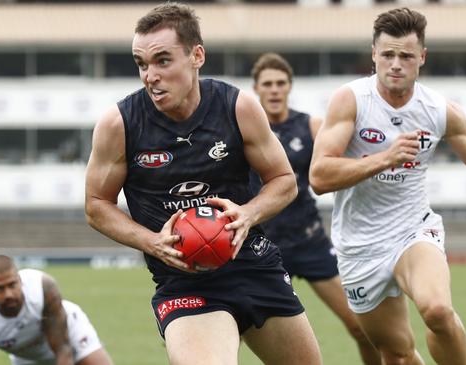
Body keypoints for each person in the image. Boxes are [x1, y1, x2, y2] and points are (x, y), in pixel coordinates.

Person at [84, 3, 322, 365]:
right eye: (141, 64)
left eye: (163, 61)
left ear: (197, 56)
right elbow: (96, 205)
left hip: (253, 264)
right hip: (184, 282)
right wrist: (153, 242)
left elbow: (284, 181)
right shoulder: (120, 124)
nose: (150, 75)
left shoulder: (237, 106)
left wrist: (247, 214)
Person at [308, 7, 466, 365]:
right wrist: (385, 158)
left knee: (437, 311)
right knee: (397, 353)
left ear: (422, 58)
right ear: (374, 54)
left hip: (413, 230)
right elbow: (319, 176)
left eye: (405, 55)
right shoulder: (351, 100)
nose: (396, 64)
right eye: (387, 55)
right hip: (359, 245)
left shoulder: (438, 110)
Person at [249, 52, 380, 365]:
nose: (275, 89)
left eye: (281, 83)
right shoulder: (245, 129)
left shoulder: (310, 126)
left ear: (290, 87)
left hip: (310, 243)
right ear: (256, 89)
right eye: (267, 84)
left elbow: (341, 163)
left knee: (362, 327)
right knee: (236, 331)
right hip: (263, 245)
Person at [0, 255, 113, 365]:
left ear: (20, 281)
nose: (8, 294)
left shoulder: (43, 288)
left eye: (12, 285)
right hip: (27, 358)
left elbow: (63, 349)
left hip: (71, 335)